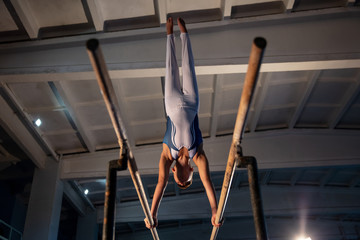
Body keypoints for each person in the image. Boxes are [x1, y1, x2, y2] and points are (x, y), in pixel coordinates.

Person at [144, 17, 221, 229]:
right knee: (188, 66)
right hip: (192, 103)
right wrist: (215, 210)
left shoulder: (168, 156)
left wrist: (152, 214)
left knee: (171, 68)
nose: (181, 179)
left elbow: (161, 183)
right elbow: (208, 183)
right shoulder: (199, 155)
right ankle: (184, 34)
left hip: (171, 104)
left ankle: (169, 34)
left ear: (176, 175)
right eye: (186, 182)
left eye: (180, 182)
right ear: (190, 174)